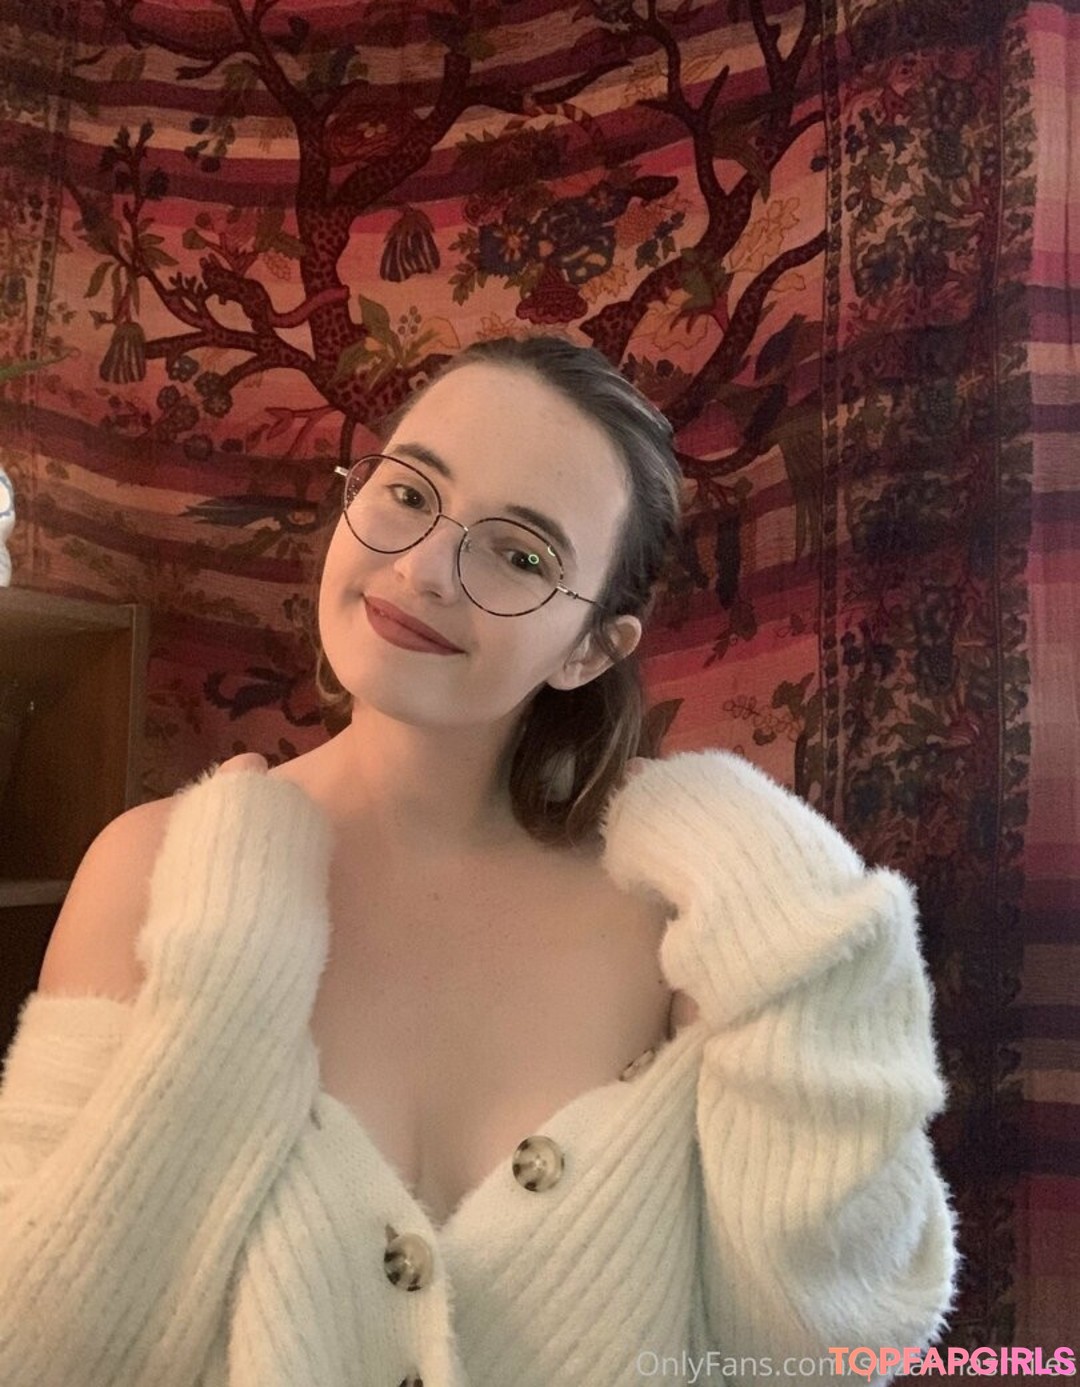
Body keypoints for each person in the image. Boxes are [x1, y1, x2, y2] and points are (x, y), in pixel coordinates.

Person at [0, 334, 960, 1386]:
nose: (423, 568)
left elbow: (831, 1345)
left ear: (592, 648)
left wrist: (772, 878)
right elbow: (38, 1350)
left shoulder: (685, 923)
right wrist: (221, 992)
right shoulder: (152, 872)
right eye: (410, 494)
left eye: (522, 554)